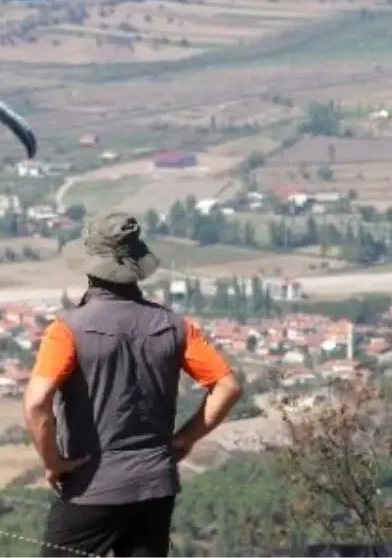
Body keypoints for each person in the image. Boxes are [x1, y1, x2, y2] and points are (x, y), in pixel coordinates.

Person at [23, 213, 244, 558]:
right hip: (155, 486)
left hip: (91, 487)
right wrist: (186, 438)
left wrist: (53, 463)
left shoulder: (67, 330)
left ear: (88, 264)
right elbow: (228, 387)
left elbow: (37, 404)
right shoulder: (175, 326)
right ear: (137, 264)